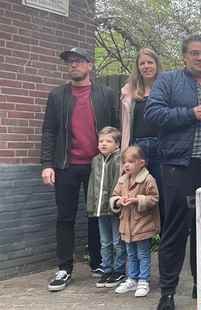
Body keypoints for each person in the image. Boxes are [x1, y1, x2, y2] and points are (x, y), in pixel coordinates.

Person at [145, 35, 201, 310]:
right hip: (181, 165)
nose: (199, 57)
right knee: (176, 229)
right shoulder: (169, 81)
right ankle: (167, 292)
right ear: (184, 56)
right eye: (194, 53)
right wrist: (190, 113)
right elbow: (153, 113)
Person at [41, 47, 119, 291]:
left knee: (98, 215)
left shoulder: (105, 94)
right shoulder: (57, 96)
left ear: (90, 65)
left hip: (100, 166)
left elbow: (117, 128)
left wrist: (118, 161)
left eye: (78, 61)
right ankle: (64, 267)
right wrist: (47, 165)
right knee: (65, 217)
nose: (73, 65)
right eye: (70, 62)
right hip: (66, 166)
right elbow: (49, 132)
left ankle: (98, 263)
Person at [120, 48, 164, 230]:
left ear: (156, 64)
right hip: (138, 149)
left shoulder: (166, 87)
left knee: (162, 196)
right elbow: (125, 127)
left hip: (162, 147)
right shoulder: (129, 92)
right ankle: (142, 249)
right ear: (138, 67)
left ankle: (164, 246)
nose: (146, 66)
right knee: (138, 196)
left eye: (150, 62)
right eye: (142, 63)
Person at [110, 146, 160, 297]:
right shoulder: (122, 180)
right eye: (124, 162)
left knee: (143, 254)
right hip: (126, 224)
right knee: (130, 254)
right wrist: (119, 201)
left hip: (142, 223)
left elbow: (154, 198)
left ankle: (143, 280)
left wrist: (137, 200)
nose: (126, 165)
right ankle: (132, 278)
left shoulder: (148, 179)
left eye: (131, 162)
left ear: (141, 163)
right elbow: (114, 196)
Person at [86, 127, 126, 289]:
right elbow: (91, 185)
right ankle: (107, 270)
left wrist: (117, 203)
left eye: (108, 141)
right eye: (101, 141)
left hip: (114, 208)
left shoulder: (119, 159)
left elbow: (120, 183)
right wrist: (92, 205)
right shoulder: (95, 160)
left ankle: (119, 270)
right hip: (100, 209)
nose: (103, 144)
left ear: (117, 144)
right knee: (105, 242)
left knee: (117, 241)